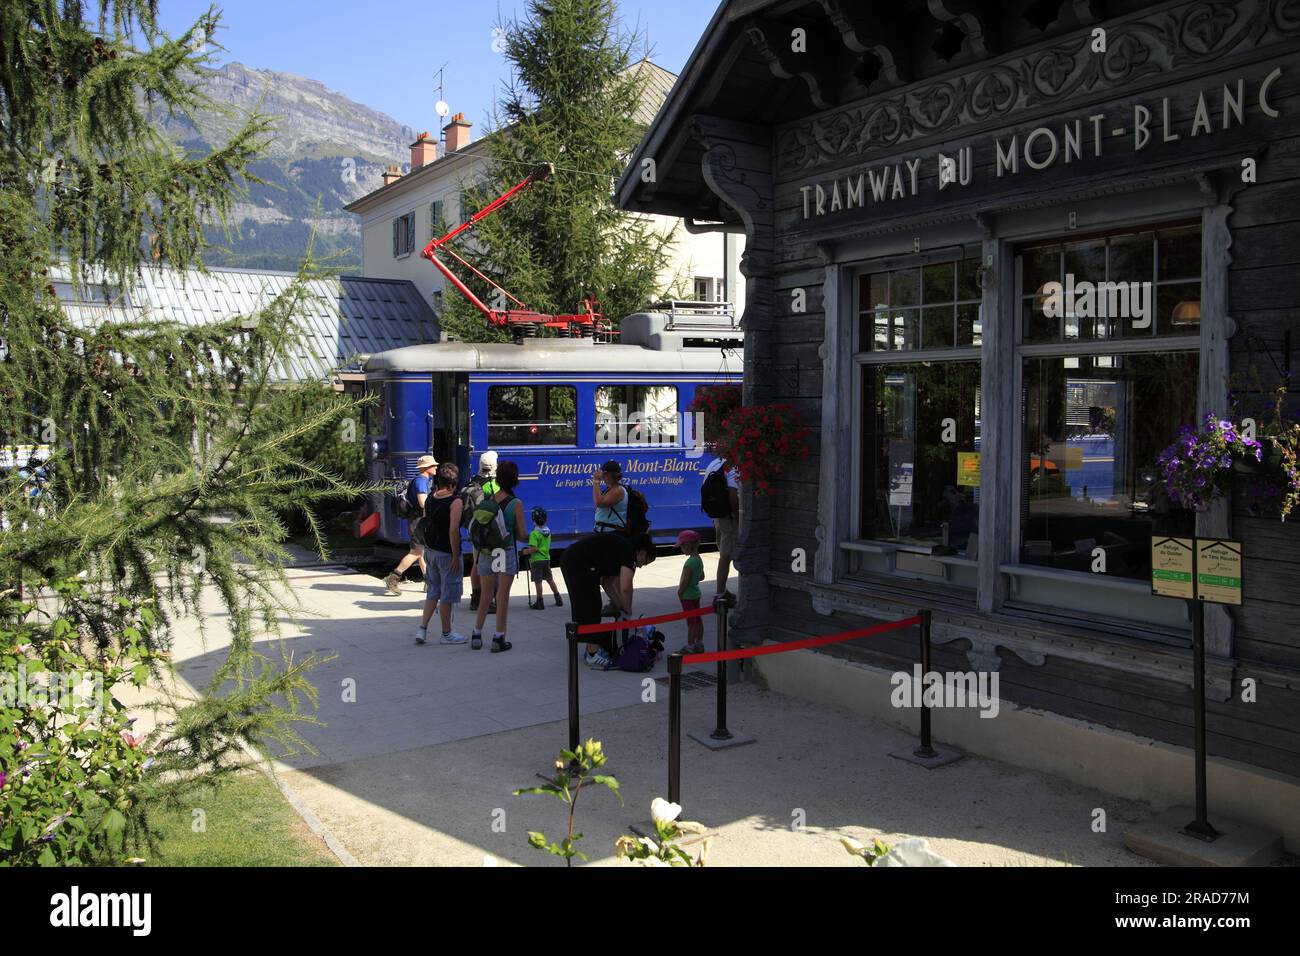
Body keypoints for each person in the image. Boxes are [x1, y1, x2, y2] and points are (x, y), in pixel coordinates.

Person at [561, 531, 656, 670]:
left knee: (586, 605)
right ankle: (592, 655)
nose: (641, 566)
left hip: (572, 559)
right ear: (642, 552)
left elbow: (607, 583)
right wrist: (628, 609)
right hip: (579, 563)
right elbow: (626, 587)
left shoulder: (621, 549)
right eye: (645, 562)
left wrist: (621, 607)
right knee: (591, 606)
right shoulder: (629, 554)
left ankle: (590, 649)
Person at [471, 459, 527, 653]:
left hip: (486, 552)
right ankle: (498, 638)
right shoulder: (516, 503)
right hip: (504, 551)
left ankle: (476, 634)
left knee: (486, 595)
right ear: (515, 480)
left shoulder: (489, 499)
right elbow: (521, 535)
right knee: (502, 596)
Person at [414, 463, 468, 646]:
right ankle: (447, 633)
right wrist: (455, 556)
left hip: (430, 551)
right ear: (453, 484)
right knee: (447, 594)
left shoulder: (430, 498)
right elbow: (453, 531)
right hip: (446, 552)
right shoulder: (455, 502)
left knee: (433, 591)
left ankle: (422, 629)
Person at [385, 454, 436, 594]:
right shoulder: (421, 481)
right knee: (416, 552)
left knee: (421, 552)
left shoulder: (422, 480)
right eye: (433, 465)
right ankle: (393, 578)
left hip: (417, 520)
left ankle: (428, 582)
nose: (436, 467)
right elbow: (423, 503)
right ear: (426, 468)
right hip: (418, 521)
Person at [592, 459, 628, 614]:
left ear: (611, 475)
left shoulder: (618, 490)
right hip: (605, 535)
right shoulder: (611, 489)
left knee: (606, 578)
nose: (603, 477)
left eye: (605, 474)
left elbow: (599, 503)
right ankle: (619, 606)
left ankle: (623, 609)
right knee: (608, 578)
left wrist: (595, 482)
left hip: (611, 536)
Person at [702, 455, 740, 600]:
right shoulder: (732, 468)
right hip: (728, 518)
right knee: (726, 555)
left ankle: (722, 591)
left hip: (717, 516)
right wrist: (737, 516)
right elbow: (733, 494)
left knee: (724, 552)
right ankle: (720, 593)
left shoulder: (714, 463)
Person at [467, 450, 500, 613]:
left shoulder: (474, 481)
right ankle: (491, 599)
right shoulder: (495, 485)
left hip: (475, 529)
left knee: (477, 563)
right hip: (491, 531)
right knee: (492, 566)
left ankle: (475, 597)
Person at [523, 506, 562, 610]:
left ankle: (540, 602)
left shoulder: (534, 534)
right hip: (546, 559)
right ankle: (558, 597)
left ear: (533, 521)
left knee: (538, 581)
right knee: (550, 579)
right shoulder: (548, 532)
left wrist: (525, 551)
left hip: (536, 561)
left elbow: (534, 549)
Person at [676, 529, 705, 654]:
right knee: (698, 620)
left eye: (682, 546)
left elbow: (685, 581)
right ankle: (699, 643)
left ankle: (690, 646)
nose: (681, 548)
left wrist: (680, 592)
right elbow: (702, 576)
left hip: (687, 596)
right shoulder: (698, 559)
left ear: (688, 545)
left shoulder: (689, 563)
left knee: (691, 623)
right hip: (696, 594)